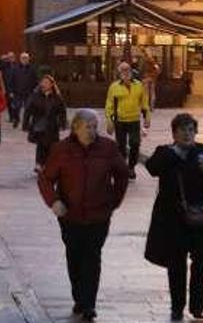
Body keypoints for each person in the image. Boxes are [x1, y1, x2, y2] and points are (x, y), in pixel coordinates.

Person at [38, 110, 130, 321]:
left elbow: (122, 174)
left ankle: (88, 303)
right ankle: (79, 296)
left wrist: (114, 200)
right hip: (70, 215)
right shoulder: (61, 149)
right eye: (86, 126)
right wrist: (54, 201)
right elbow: (45, 178)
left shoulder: (107, 148)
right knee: (74, 255)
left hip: (99, 215)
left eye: (93, 126)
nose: (91, 131)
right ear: (75, 128)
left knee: (92, 256)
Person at [145, 114, 203, 321]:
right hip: (173, 220)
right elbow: (152, 168)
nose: (187, 134)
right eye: (182, 130)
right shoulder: (165, 153)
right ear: (174, 133)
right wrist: (175, 154)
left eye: (190, 130)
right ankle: (177, 306)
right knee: (176, 264)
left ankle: (197, 306)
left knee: (201, 264)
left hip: (200, 218)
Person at [105, 61, 150, 180]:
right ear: (119, 73)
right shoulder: (114, 87)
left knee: (135, 144)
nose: (126, 72)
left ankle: (131, 167)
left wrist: (147, 117)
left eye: (127, 70)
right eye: (123, 70)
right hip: (120, 121)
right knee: (121, 146)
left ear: (131, 72)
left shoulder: (139, 85)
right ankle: (122, 168)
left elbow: (144, 102)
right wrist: (109, 121)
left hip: (134, 120)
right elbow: (109, 105)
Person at [23, 74, 66, 173]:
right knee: (41, 145)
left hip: (52, 125)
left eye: (47, 82)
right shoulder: (35, 96)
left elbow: (62, 111)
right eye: (43, 82)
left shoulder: (57, 97)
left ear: (52, 84)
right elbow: (28, 110)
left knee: (51, 146)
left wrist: (62, 123)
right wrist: (26, 124)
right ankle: (39, 164)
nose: (44, 84)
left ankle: (48, 164)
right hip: (39, 124)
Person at [7, 52, 38, 128]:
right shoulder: (15, 68)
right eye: (23, 58)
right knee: (16, 108)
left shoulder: (32, 69)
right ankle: (16, 120)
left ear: (28, 59)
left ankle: (25, 124)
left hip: (28, 92)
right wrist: (10, 91)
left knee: (28, 109)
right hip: (17, 92)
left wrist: (35, 90)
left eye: (26, 58)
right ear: (20, 59)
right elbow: (11, 80)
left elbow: (36, 80)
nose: (24, 60)